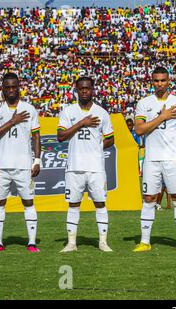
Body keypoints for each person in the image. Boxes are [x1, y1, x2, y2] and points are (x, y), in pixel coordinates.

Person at [133, 66, 176, 252]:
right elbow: (139, 130)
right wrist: (163, 116)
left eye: (163, 80)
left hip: (174, 159)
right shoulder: (144, 103)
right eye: (156, 81)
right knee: (149, 198)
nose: (159, 84)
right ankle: (145, 242)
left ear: (169, 81)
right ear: (152, 82)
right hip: (152, 159)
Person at [57, 76, 115, 252]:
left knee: (100, 203)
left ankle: (103, 242)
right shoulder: (68, 111)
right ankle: (72, 243)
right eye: (81, 88)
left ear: (92, 90)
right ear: (76, 90)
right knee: (73, 204)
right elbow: (60, 136)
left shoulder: (102, 112)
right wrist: (82, 123)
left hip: (96, 166)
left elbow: (111, 138)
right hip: (74, 166)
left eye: (87, 88)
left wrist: (98, 147)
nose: (84, 91)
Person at [0, 72, 41, 253]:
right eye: (8, 87)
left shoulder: (29, 108)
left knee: (28, 202)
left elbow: (36, 136)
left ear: (19, 88)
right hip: (2, 165)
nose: (11, 90)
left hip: (24, 165)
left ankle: (32, 243)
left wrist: (37, 160)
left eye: (14, 87)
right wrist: (13, 121)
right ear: (3, 89)